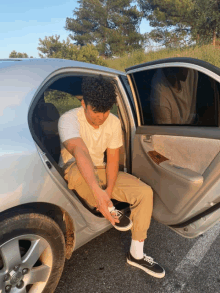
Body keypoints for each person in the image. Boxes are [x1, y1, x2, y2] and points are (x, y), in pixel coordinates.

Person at [58, 75, 165, 278]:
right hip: (76, 167)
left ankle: (136, 254)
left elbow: (113, 159)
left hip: (101, 168)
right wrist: (99, 193)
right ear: (84, 103)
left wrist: (108, 190)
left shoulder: (113, 122)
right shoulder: (68, 119)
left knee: (144, 192)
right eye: (96, 111)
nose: (101, 117)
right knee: (79, 176)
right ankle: (106, 205)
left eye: (106, 111)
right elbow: (79, 152)